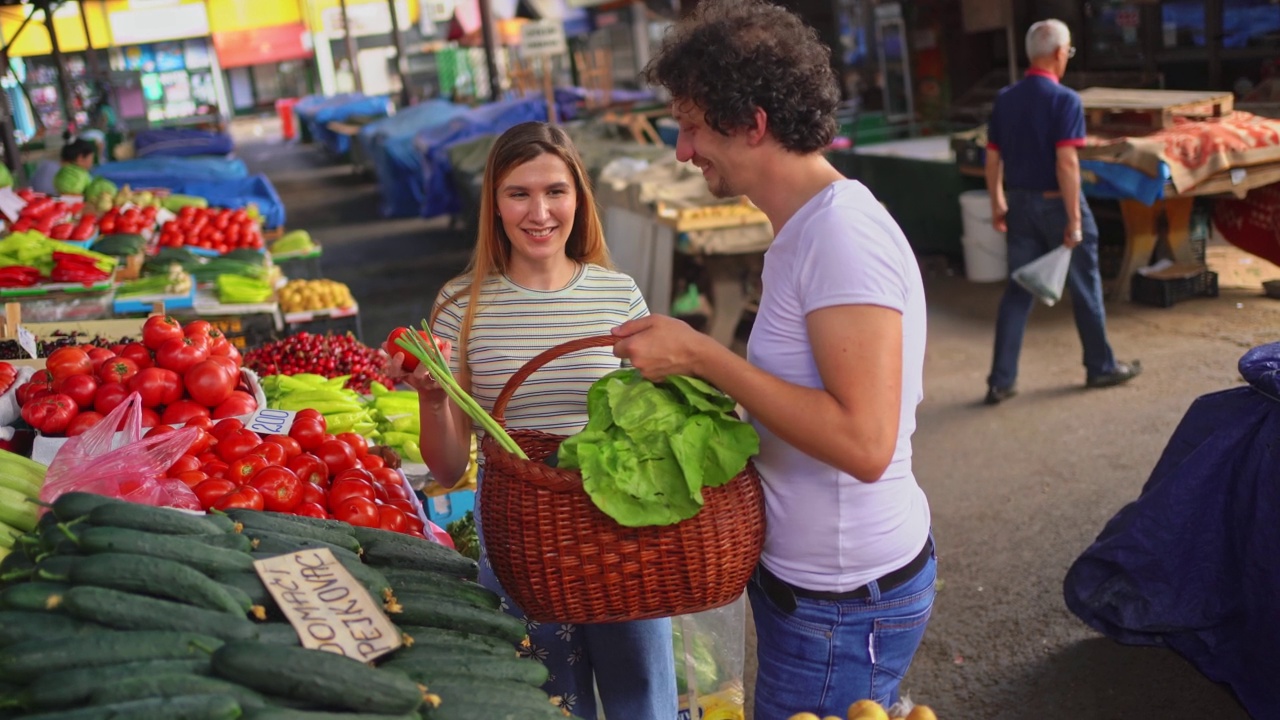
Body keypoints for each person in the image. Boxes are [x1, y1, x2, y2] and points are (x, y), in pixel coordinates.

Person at [615, 1, 935, 717]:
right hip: (818, 591)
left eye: (693, 127)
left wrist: (703, 356)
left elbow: (865, 443)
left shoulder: (840, 237)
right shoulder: (800, 230)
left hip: (846, 602)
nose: (682, 151)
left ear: (753, 123)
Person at [385, 121, 677, 720]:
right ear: (493, 202)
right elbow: (444, 465)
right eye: (518, 193)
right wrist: (434, 399)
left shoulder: (618, 296)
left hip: (620, 523)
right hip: (519, 535)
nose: (539, 212)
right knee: (543, 702)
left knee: (641, 697)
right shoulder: (459, 308)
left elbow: (653, 424)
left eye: (555, 192)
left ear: (579, 198)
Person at [983, 19, 1141, 405]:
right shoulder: (1065, 100)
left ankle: (1000, 381)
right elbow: (1067, 163)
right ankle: (1100, 367)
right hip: (1057, 202)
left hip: (1019, 203)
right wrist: (1073, 219)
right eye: (1067, 52)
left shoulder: (1006, 98)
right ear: (1058, 54)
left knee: (1019, 291)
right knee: (1085, 285)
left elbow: (992, 157)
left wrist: (997, 200)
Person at [30, 137, 96, 196]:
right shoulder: (74, 176)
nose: (91, 164)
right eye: (91, 159)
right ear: (80, 158)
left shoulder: (46, 165)